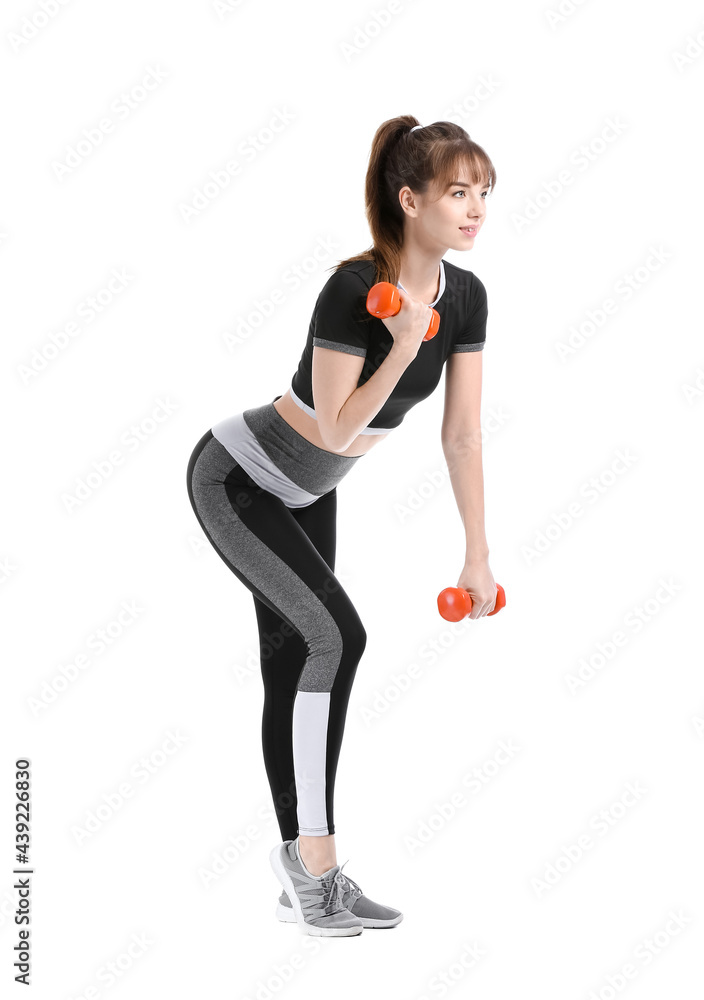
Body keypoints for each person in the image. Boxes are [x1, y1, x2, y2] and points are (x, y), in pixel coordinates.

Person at [186, 115, 498, 937]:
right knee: (339, 639)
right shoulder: (354, 288)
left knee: (297, 664)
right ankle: (314, 865)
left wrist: (478, 554)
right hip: (241, 478)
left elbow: (461, 433)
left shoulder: (466, 297)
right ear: (410, 199)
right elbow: (330, 428)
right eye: (458, 192)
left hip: (307, 493)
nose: (475, 210)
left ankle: (304, 871)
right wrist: (399, 344)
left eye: (484, 194)